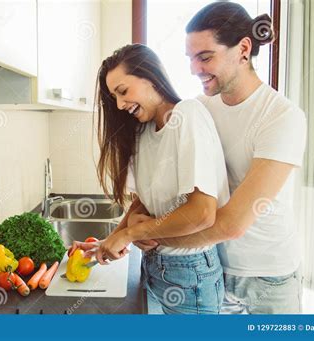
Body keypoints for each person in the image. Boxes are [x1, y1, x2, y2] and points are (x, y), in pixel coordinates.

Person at [134, 2, 307, 314]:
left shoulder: (281, 117)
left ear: (243, 49)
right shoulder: (199, 109)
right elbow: (167, 181)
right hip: (213, 269)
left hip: (267, 281)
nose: (193, 69)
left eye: (205, 57)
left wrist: (151, 235)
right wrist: (133, 220)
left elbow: (232, 225)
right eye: (190, 59)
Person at [70, 44, 230, 314]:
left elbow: (202, 213)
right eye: (114, 97)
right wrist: (110, 241)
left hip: (191, 274)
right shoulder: (143, 133)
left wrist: (133, 232)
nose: (119, 105)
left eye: (123, 91)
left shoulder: (188, 114)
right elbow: (144, 202)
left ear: (150, 76)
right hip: (155, 266)